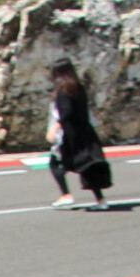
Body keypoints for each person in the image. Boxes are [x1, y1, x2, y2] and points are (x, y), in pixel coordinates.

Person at [45, 61, 112, 210]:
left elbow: (67, 112)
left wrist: (55, 128)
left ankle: (66, 195)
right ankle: (101, 200)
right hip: (85, 132)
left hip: (71, 135)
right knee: (88, 166)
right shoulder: (79, 88)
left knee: (55, 162)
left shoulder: (63, 90)